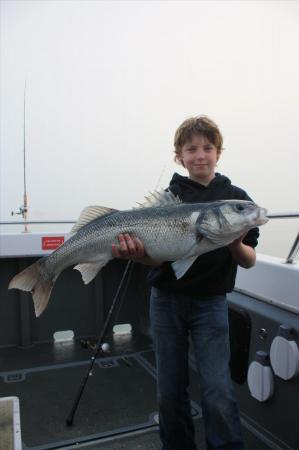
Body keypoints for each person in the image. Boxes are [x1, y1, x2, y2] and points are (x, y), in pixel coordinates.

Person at [112, 115, 259, 450]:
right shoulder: (171, 195)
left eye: (207, 147)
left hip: (211, 304)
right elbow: (157, 259)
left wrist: (235, 240)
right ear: (179, 157)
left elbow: (249, 260)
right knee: (169, 390)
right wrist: (137, 254)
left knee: (218, 390)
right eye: (191, 149)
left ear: (218, 152)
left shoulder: (235, 198)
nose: (200, 155)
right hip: (166, 301)